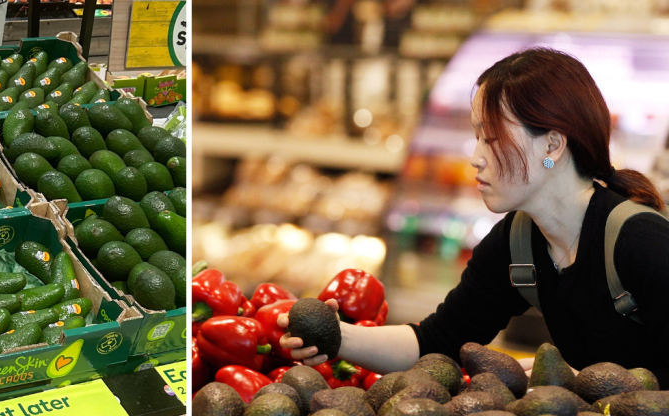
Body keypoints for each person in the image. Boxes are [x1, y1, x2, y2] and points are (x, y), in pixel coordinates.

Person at [280, 47, 669, 386]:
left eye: (492, 137)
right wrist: (337, 337)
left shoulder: (642, 242)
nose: (475, 157)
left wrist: (574, 381)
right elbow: (436, 343)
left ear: (552, 143)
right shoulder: (516, 244)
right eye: (477, 135)